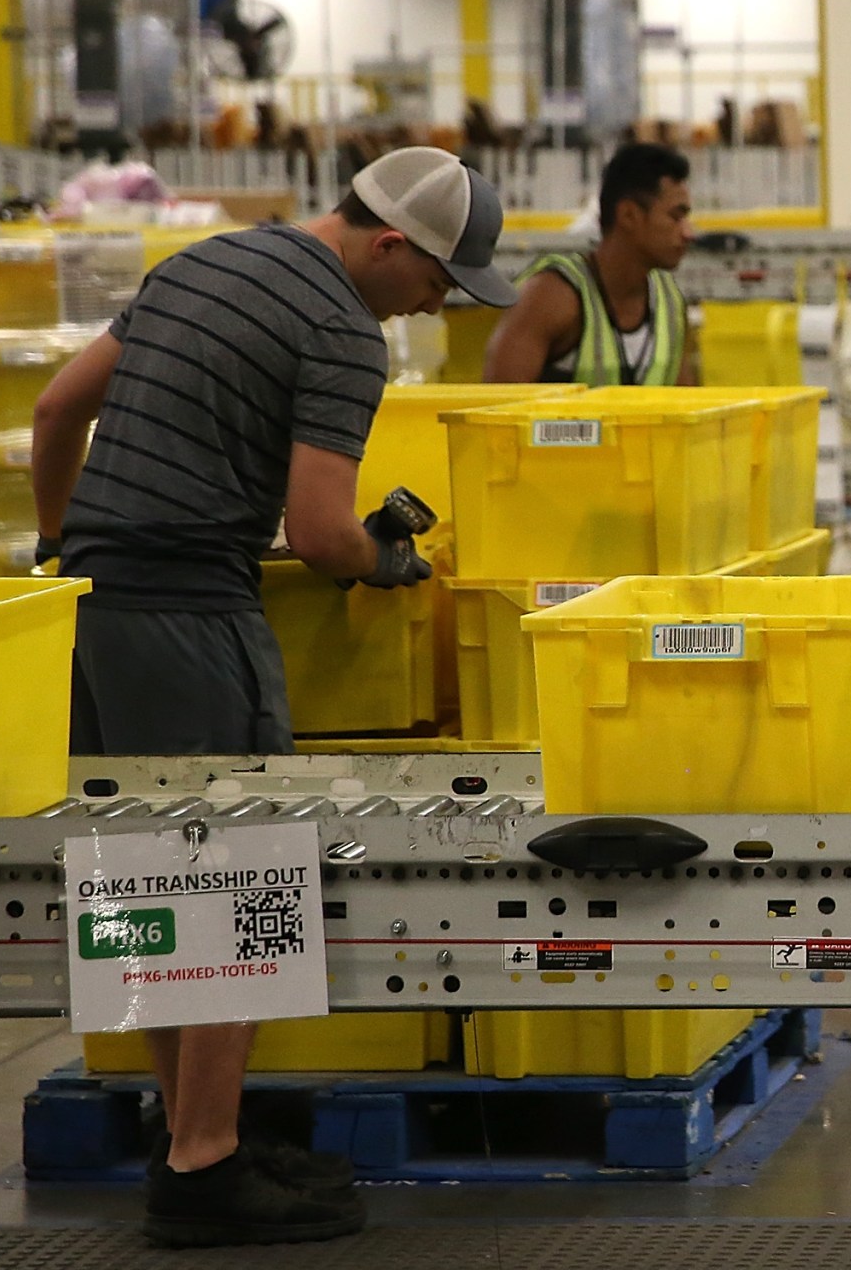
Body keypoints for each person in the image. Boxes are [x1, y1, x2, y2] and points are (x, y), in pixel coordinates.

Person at [29, 146, 519, 1247]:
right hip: (194, 612)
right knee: (239, 870)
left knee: (141, 871)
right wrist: (385, 564)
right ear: (389, 244)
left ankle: (191, 1136)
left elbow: (58, 412)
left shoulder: (199, 264)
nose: (430, 307)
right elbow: (318, 530)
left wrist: (64, 549)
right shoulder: (343, 330)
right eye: (436, 282)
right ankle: (204, 1169)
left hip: (93, 618)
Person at [483, 142, 699, 383]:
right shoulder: (550, 297)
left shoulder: (669, 301)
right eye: (675, 217)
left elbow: (687, 409)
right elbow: (497, 409)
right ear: (628, 215)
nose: (688, 233)